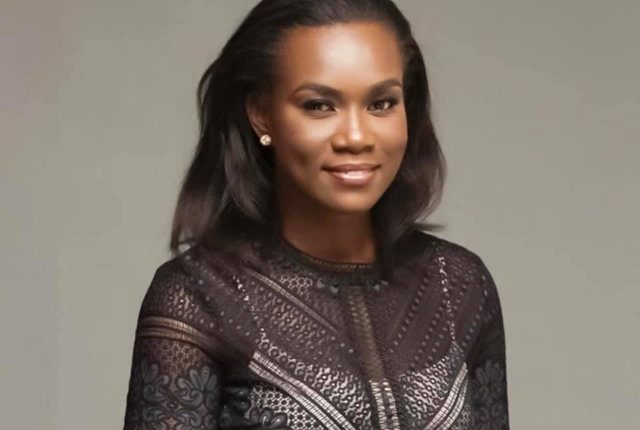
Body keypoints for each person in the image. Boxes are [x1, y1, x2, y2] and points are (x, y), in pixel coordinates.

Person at [122, 0, 509, 428]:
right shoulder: (200, 298)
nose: (356, 137)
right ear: (262, 115)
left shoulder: (458, 286)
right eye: (320, 105)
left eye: (381, 103)